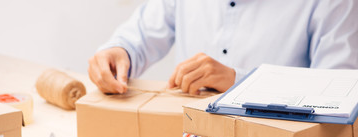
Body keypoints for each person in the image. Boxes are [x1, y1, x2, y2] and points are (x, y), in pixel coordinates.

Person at [88, 0, 358, 95]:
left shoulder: (334, 3)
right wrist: (118, 52)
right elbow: (140, 36)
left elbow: (338, 93)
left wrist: (238, 82)